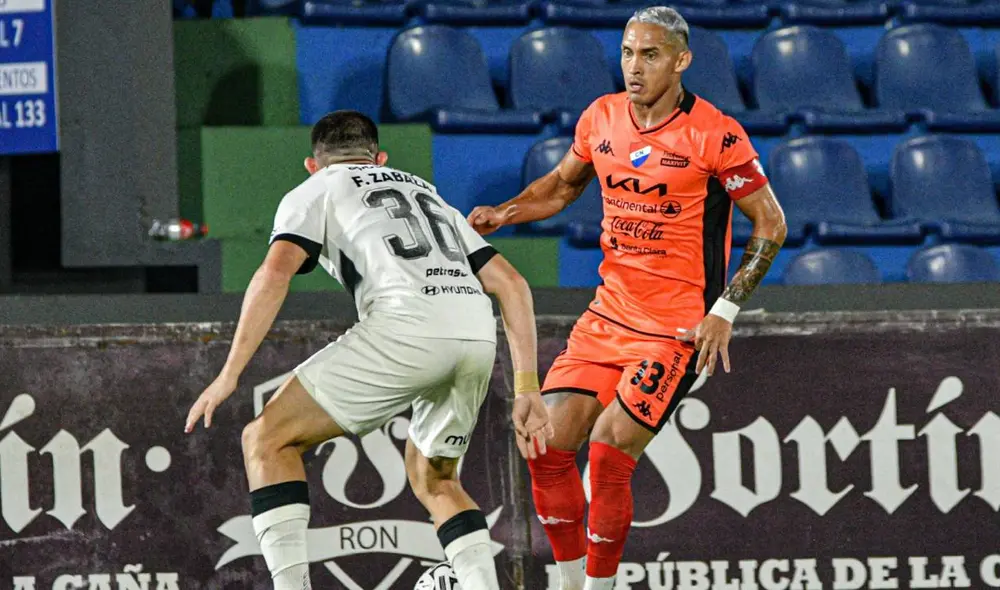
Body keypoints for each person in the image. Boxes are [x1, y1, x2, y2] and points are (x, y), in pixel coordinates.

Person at [467, 7, 788, 590]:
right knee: (544, 447)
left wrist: (725, 309)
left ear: (681, 60)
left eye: (650, 55)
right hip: (607, 317)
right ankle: (569, 584)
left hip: (676, 329)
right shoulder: (602, 117)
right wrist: (505, 213)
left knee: (608, 453)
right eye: (626, 53)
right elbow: (563, 185)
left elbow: (771, 223)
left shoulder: (716, 134)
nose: (634, 68)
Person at [184, 110, 553, 590]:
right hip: (475, 331)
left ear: (313, 165)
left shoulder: (314, 190)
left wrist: (230, 373)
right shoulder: (428, 194)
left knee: (266, 440)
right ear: (379, 158)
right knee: (436, 478)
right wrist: (527, 387)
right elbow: (512, 284)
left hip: (407, 328)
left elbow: (274, 274)